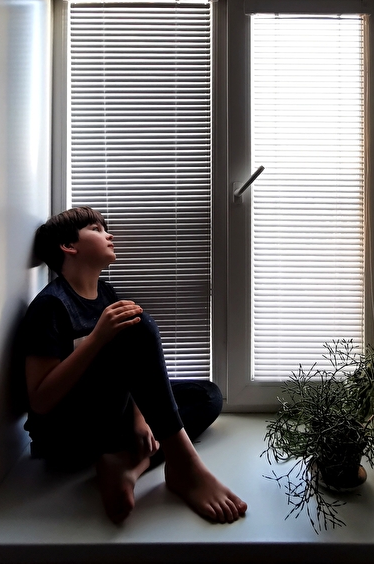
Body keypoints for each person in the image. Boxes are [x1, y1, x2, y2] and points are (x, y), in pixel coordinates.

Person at [19, 206, 247, 524]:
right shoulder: (51, 305)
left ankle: (128, 464)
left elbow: (134, 370)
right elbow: (41, 401)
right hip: (68, 436)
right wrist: (97, 338)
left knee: (207, 395)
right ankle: (184, 465)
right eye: (96, 230)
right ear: (69, 246)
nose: (109, 235)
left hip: (111, 421)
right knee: (139, 327)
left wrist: (141, 418)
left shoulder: (105, 293)